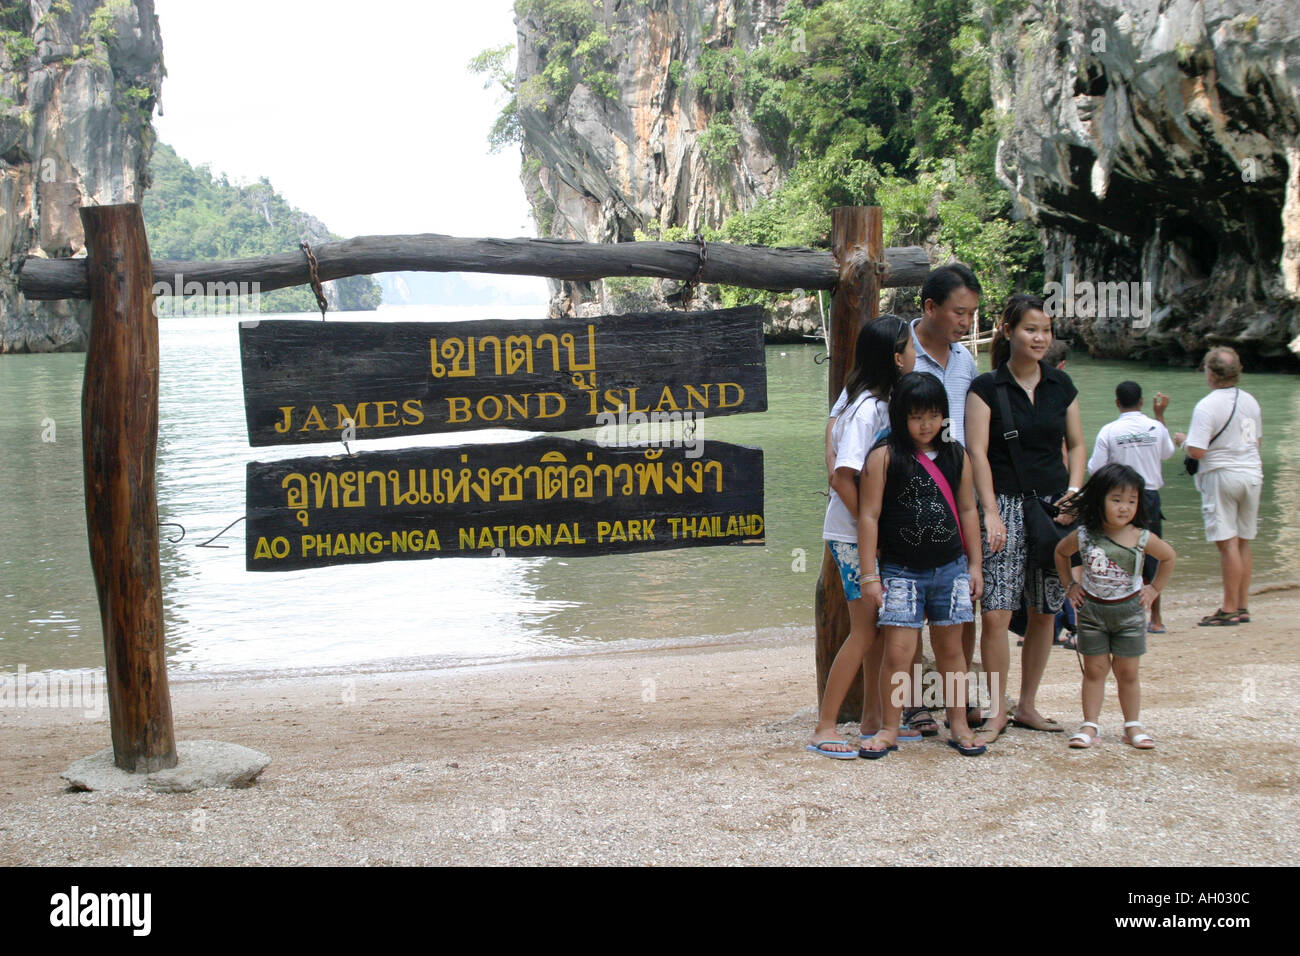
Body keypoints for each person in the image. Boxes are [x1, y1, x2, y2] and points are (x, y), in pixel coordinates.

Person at [965, 293, 1085, 741]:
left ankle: (1028, 705)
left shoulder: (1060, 386)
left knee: (1045, 610)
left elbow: (1075, 444)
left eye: (1045, 331)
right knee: (996, 612)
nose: (1039, 338)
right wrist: (990, 512)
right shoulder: (985, 388)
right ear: (1007, 329)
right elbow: (976, 452)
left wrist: (1075, 492)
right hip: (1005, 506)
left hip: (1055, 506)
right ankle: (998, 711)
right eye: (1030, 329)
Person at [857, 372, 986, 757]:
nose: (926, 425)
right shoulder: (884, 456)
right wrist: (869, 575)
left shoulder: (956, 455)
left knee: (952, 652)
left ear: (944, 415)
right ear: (900, 417)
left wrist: (975, 566)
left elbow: (967, 510)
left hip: (951, 568)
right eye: (916, 417)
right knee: (897, 652)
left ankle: (959, 725)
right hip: (900, 570)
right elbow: (869, 516)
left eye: (933, 415)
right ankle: (889, 729)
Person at [807, 315, 917, 757]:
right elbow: (842, 477)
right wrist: (875, 528)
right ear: (895, 356)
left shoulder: (871, 401)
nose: (914, 355)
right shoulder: (869, 408)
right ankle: (825, 726)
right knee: (863, 631)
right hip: (853, 536)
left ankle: (873, 718)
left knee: (878, 626)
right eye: (909, 347)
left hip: (862, 534)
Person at [901, 264, 982, 735]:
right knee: (906, 600)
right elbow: (852, 410)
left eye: (971, 314)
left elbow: (971, 435)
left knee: (960, 597)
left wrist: (983, 503)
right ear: (930, 307)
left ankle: (959, 695)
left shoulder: (966, 361)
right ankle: (913, 702)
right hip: (908, 491)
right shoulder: (901, 353)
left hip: (955, 493)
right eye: (959, 312)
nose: (965, 322)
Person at [1054, 464, 1176, 749]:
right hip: (1093, 613)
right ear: (1099, 500)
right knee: (1094, 670)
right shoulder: (1084, 535)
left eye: (1132, 501)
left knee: (1128, 672)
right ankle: (1090, 725)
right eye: (1117, 500)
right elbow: (1061, 552)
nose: (1124, 508)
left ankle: (1132, 726)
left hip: (1130, 614)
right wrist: (1070, 586)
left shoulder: (1141, 537)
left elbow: (1168, 557)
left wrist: (1154, 588)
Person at [1178, 346, 1263, 626]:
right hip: (1252, 473)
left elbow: (1197, 451)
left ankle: (1228, 608)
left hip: (1222, 476)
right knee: (1243, 543)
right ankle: (1242, 604)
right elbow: (1256, 442)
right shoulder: (1251, 401)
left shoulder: (1207, 405)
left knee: (1227, 544)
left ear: (1211, 373)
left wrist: (1182, 440)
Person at [1087, 381, 1176, 632]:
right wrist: (1159, 415)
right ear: (1141, 402)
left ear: (1117, 403)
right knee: (1153, 552)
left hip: (1119, 498)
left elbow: (1095, 469)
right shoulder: (1155, 427)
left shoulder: (1109, 431)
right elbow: (1167, 453)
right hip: (1148, 497)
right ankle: (1156, 619)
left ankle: (1119, 607)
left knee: (1119, 551)